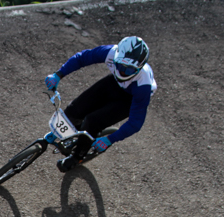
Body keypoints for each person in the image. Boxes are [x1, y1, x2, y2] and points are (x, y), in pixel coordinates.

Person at [44, 36, 156, 172]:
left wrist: (110, 139)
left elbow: (135, 122)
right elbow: (82, 58)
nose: (123, 72)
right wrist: (58, 74)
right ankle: (74, 131)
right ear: (116, 57)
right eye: (120, 66)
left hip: (130, 97)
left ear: (139, 68)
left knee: (93, 121)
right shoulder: (110, 52)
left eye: (130, 70)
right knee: (75, 110)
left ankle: (77, 156)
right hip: (114, 84)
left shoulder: (143, 85)